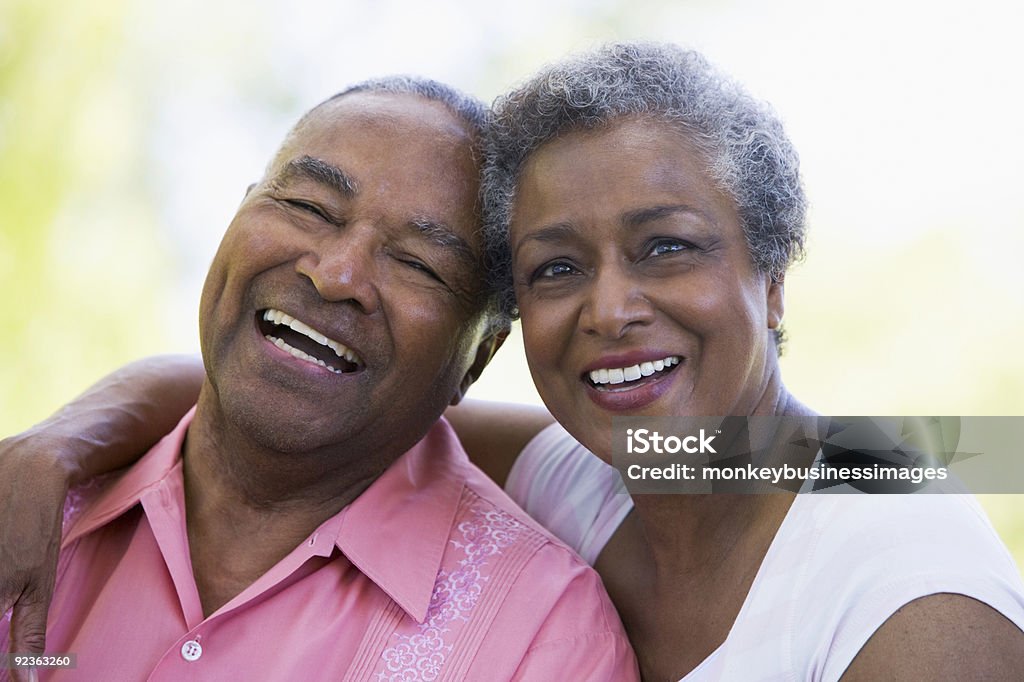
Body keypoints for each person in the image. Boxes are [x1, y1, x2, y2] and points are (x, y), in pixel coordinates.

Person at [5, 42, 1024, 680]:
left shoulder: (911, 581)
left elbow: (954, 459)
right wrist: (56, 444)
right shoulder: (602, 474)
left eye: (666, 245)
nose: (611, 307)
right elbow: (310, 392)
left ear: (772, 275)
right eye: (555, 267)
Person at [0, 77, 637, 681]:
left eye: (418, 262)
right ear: (239, 211)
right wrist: (59, 440)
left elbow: (726, 451)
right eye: (308, 205)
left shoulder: (543, 637)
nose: (336, 275)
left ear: (476, 360)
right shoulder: (30, 508)